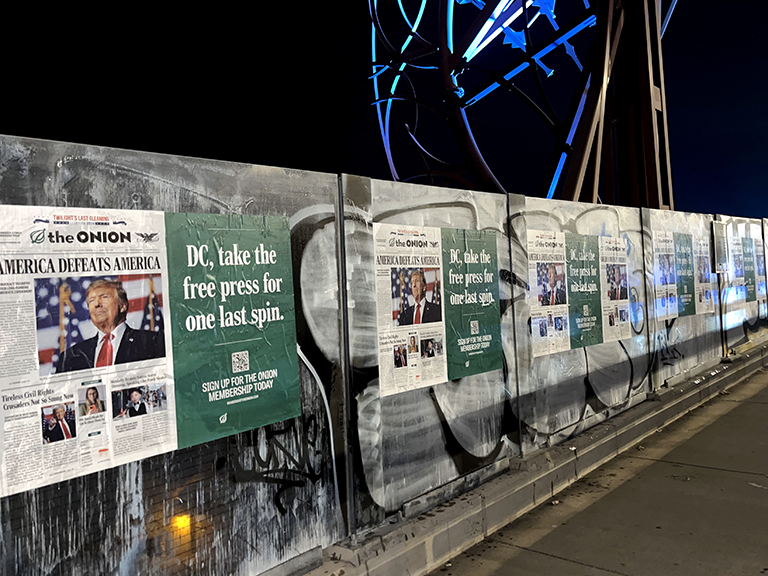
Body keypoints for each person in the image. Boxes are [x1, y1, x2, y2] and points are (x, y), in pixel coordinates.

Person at [55, 279, 164, 373]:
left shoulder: (152, 342)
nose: (97, 304)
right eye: (91, 301)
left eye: (104, 297)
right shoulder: (70, 357)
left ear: (122, 306)